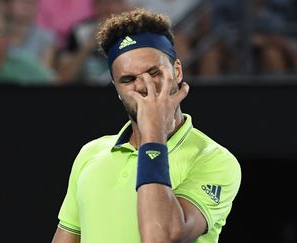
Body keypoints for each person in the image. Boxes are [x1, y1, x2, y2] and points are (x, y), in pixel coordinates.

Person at [51, 8, 241, 243]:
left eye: (154, 72)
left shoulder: (214, 159)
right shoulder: (90, 153)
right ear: (117, 90)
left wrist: (153, 132)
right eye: (128, 80)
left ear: (177, 71)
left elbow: (160, 237)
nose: (144, 86)